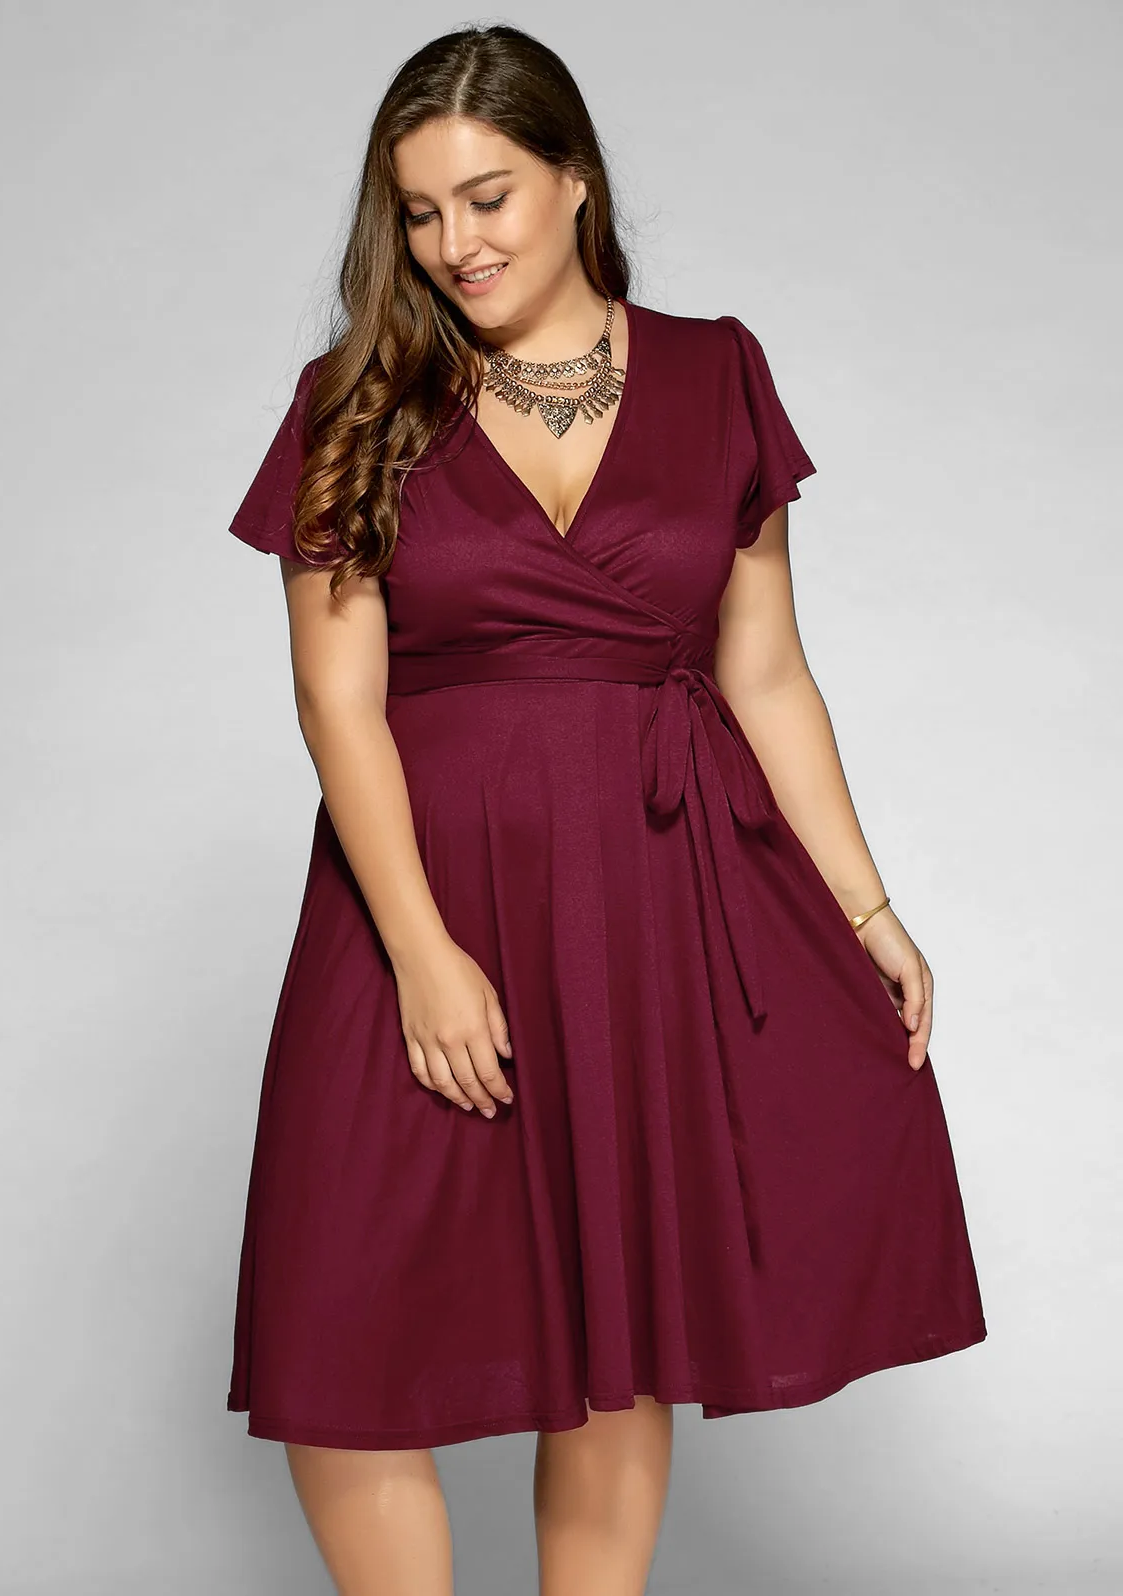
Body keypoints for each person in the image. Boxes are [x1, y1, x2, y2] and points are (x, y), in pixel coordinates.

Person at [223, 22, 987, 1596]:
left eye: (488, 197)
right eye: (420, 212)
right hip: (416, 893)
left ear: (576, 180)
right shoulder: (354, 398)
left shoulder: (718, 372)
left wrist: (867, 907)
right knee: (338, 1314)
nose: (455, 243)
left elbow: (766, 673)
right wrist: (422, 954)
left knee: (617, 1323)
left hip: (652, 889)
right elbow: (334, 700)